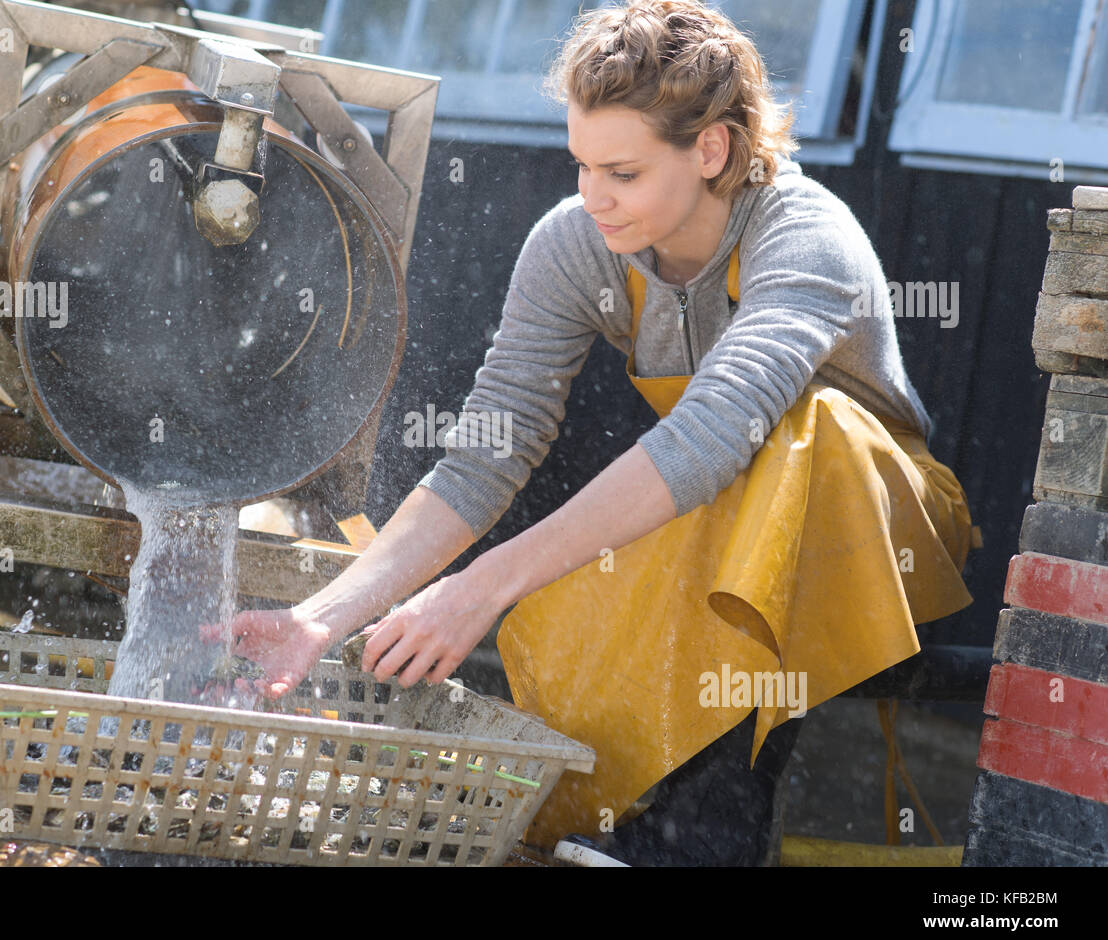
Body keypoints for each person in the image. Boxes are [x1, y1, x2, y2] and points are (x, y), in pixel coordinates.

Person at [217, 0, 979, 864]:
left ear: (713, 150)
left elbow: (708, 440)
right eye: (580, 164)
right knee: (561, 614)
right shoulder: (575, 246)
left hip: (884, 538)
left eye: (621, 172)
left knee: (811, 432)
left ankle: (703, 830)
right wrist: (322, 617)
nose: (592, 196)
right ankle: (611, 822)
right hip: (725, 522)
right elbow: (483, 459)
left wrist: (480, 584)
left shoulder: (808, 240)